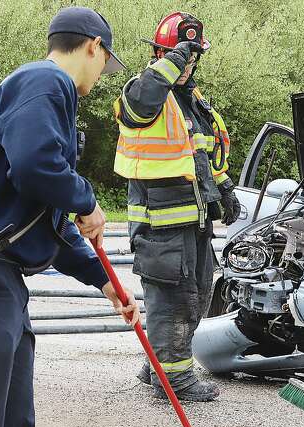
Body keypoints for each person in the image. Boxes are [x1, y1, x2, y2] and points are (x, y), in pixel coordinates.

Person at [0, 7, 140, 427]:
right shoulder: (44, 81)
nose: (102, 77)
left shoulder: (51, 98)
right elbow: (34, 166)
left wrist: (105, 281)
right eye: (106, 62)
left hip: (6, 282)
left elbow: (47, 220)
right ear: (93, 46)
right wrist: (85, 196)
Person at [114, 11, 241, 402]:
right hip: (160, 225)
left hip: (194, 221)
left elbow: (202, 157)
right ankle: (175, 381)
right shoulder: (144, 91)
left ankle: (158, 365)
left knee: (200, 294)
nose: (186, 64)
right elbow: (137, 106)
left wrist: (226, 190)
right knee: (173, 300)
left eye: (190, 57)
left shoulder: (194, 103)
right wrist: (172, 61)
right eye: (178, 55)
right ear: (160, 53)